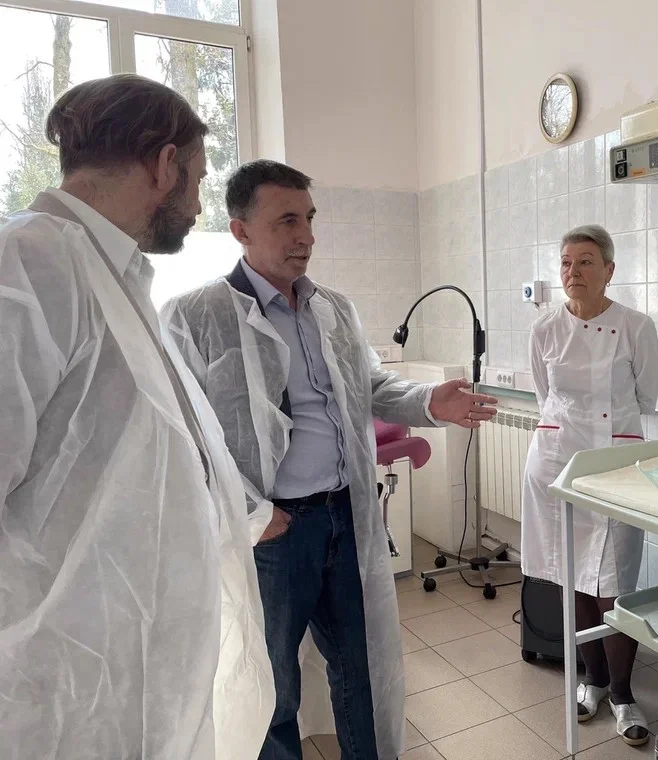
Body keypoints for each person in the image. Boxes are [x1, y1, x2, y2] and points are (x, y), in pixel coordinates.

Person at [161, 159, 498, 760]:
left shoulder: (333, 309)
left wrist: (430, 401)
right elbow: (182, 435)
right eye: (287, 220)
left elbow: (370, 385)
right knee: (272, 684)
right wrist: (254, 514)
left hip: (346, 514)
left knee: (358, 667)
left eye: (309, 218)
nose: (306, 236)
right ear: (240, 230)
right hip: (274, 532)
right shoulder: (196, 316)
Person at [0, 74, 273, 760]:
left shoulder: (109, 275)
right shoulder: (31, 259)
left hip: (125, 664)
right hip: (62, 677)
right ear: (165, 164)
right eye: (199, 179)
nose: (199, 202)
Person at [521, 224, 658, 746]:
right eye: (565, 262)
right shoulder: (544, 329)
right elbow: (545, 395)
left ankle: (623, 694)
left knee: (614, 585)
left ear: (609, 270)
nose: (573, 271)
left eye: (585, 261)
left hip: (614, 466)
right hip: (556, 463)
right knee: (572, 577)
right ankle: (593, 681)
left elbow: (646, 396)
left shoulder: (635, 326)